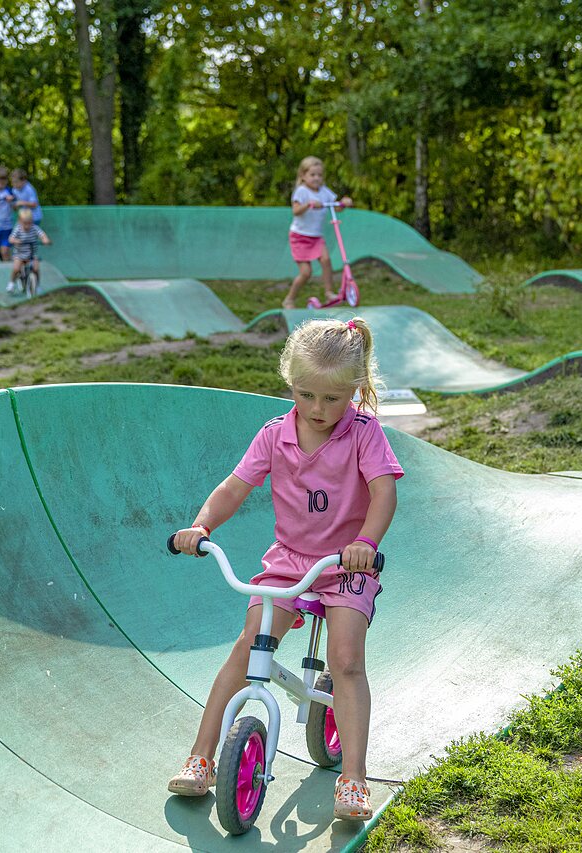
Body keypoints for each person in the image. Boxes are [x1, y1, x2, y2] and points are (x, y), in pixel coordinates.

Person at [167, 317, 402, 822]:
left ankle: (354, 778)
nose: (318, 410)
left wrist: (365, 541)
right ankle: (202, 756)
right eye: (306, 394)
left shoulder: (364, 432)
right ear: (289, 383)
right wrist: (201, 526)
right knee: (249, 643)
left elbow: (384, 491)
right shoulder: (275, 434)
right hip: (290, 559)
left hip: (346, 564)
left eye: (333, 399)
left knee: (345, 659)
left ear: (356, 390)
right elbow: (234, 487)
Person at [283, 156, 353, 310]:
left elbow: (336, 206)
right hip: (299, 237)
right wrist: (308, 204)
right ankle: (289, 299)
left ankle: (329, 292)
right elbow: (296, 211)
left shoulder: (324, 192)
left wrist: (344, 203)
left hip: (316, 237)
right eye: (312, 175)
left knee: (326, 260)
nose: (316, 178)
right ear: (303, 176)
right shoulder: (301, 192)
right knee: (306, 273)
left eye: (319, 175)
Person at [6, 208, 51, 295]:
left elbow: (42, 235)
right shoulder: (18, 229)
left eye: (29, 223)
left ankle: (37, 286)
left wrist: (45, 240)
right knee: (16, 268)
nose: (27, 226)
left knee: (36, 269)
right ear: (20, 221)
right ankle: (11, 283)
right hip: (20, 254)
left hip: (32, 254)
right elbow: (11, 239)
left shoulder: (34, 228)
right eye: (25, 223)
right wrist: (16, 241)